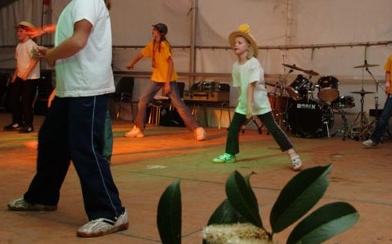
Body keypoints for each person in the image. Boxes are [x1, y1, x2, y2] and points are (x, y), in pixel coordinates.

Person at [8, 0, 128, 237]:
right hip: (71, 89)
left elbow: (78, 40)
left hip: (87, 89)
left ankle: (111, 212)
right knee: (52, 142)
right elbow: (74, 43)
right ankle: (42, 197)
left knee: (85, 148)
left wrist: (50, 54)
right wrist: (48, 52)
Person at [212, 24, 302, 171]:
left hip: (259, 103)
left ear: (248, 46)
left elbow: (251, 86)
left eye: (240, 42)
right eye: (235, 43)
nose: (236, 45)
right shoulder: (235, 66)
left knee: (273, 128)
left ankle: (293, 155)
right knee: (233, 128)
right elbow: (241, 87)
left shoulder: (254, 63)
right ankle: (230, 154)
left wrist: (250, 107)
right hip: (244, 102)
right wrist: (243, 104)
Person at [125, 23, 207, 141]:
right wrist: (132, 64)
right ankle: (138, 128)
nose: (153, 31)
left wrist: (167, 83)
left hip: (168, 78)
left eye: (156, 30)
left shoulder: (164, 45)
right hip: (157, 78)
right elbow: (141, 54)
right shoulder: (152, 44)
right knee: (143, 100)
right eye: (153, 29)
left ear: (161, 33)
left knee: (178, 104)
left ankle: (197, 129)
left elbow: (170, 64)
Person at [3, 21, 41, 133]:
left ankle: (28, 124)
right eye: (18, 31)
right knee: (14, 98)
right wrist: (15, 75)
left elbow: (35, 60)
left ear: (28, 33)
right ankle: (17, 122)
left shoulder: (32, 45)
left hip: (31, 78)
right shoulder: (19, 46)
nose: (18, 33)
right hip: (20, 76)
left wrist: (26, 73)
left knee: (26, 101)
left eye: (21, 31)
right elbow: (19, 62)